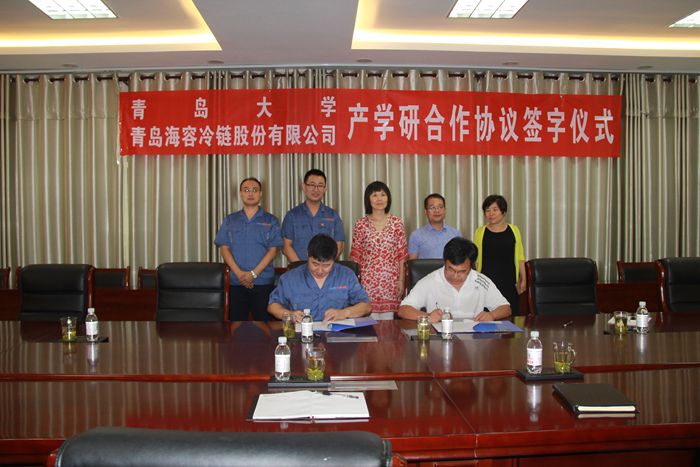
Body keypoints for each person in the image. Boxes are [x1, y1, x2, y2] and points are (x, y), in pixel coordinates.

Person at [215, 177, 283, 321]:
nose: (250, 193)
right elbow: (224, 248)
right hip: (236, 282)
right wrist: (240, 274)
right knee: (235, 327)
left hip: (263, 282)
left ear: (261, 194)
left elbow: (273, 250)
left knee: (265, 327)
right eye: (246, 190)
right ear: (240, 193)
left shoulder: (271, 220)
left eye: (254, 190)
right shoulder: (230, 220)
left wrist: (253, 274)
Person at [398, 237, 511, 322]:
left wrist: (492, 315)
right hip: (440, 340)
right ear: (445, 262)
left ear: (471, 266)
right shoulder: (430, 281)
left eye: (462, 271)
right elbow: (403, 309)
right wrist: (428, 317)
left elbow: (505, 308)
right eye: (450, 269)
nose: (455, 275)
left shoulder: (481, 280)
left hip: (473, 340)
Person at [268, 234, 371, 322]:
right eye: (315, 264)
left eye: (326, 265)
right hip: (302, 334)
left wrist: (344, 313)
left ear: (334, 259)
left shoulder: (346, 275)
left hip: (337, 335)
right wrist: (289, 315)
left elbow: (366, 306)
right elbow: (273, 306)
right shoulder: (290, 278)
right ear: (308, 255)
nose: (320, 270)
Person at [350, 181, 408, 319]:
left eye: (383, 194)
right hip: (367, 282)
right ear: (368, 199)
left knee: (389, 324)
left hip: (391, 281)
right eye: (375, 195)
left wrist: (401, 280)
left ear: (388, 198)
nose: (379, 199)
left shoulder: (397, 223)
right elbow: (355, 256)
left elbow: (402, 255)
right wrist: (355, 284)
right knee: (369, 324)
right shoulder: (361, 224)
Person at [473, 194, 526, 315]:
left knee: (511, 315)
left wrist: (523, 279)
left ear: (503, 211)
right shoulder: (480, 232)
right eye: (487, 210)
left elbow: (520, 257)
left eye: (495, 209)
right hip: (486, 283)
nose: (491, 213)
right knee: (487, 317)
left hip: (509, 282)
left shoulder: (514, 230)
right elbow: (475, 260)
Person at [281, 169, 345, 262]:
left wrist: (324, 266)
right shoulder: (292, 216)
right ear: (304, 187)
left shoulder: (333, 216)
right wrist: (301, 267)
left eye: (320, 185)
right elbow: (286, 246)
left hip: (326, 269)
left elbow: (339, 245)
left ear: (325, 189)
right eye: (312, 185)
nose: (316, 189)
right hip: (299, 268)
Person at [408, 193, 461, 259]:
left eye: (440, 207)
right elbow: (412, 262)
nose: (437, 211)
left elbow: (461, 259)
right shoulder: (416, 236)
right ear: (426, 212)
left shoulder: (456, 234)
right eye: (432, 207)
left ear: (445, 210)